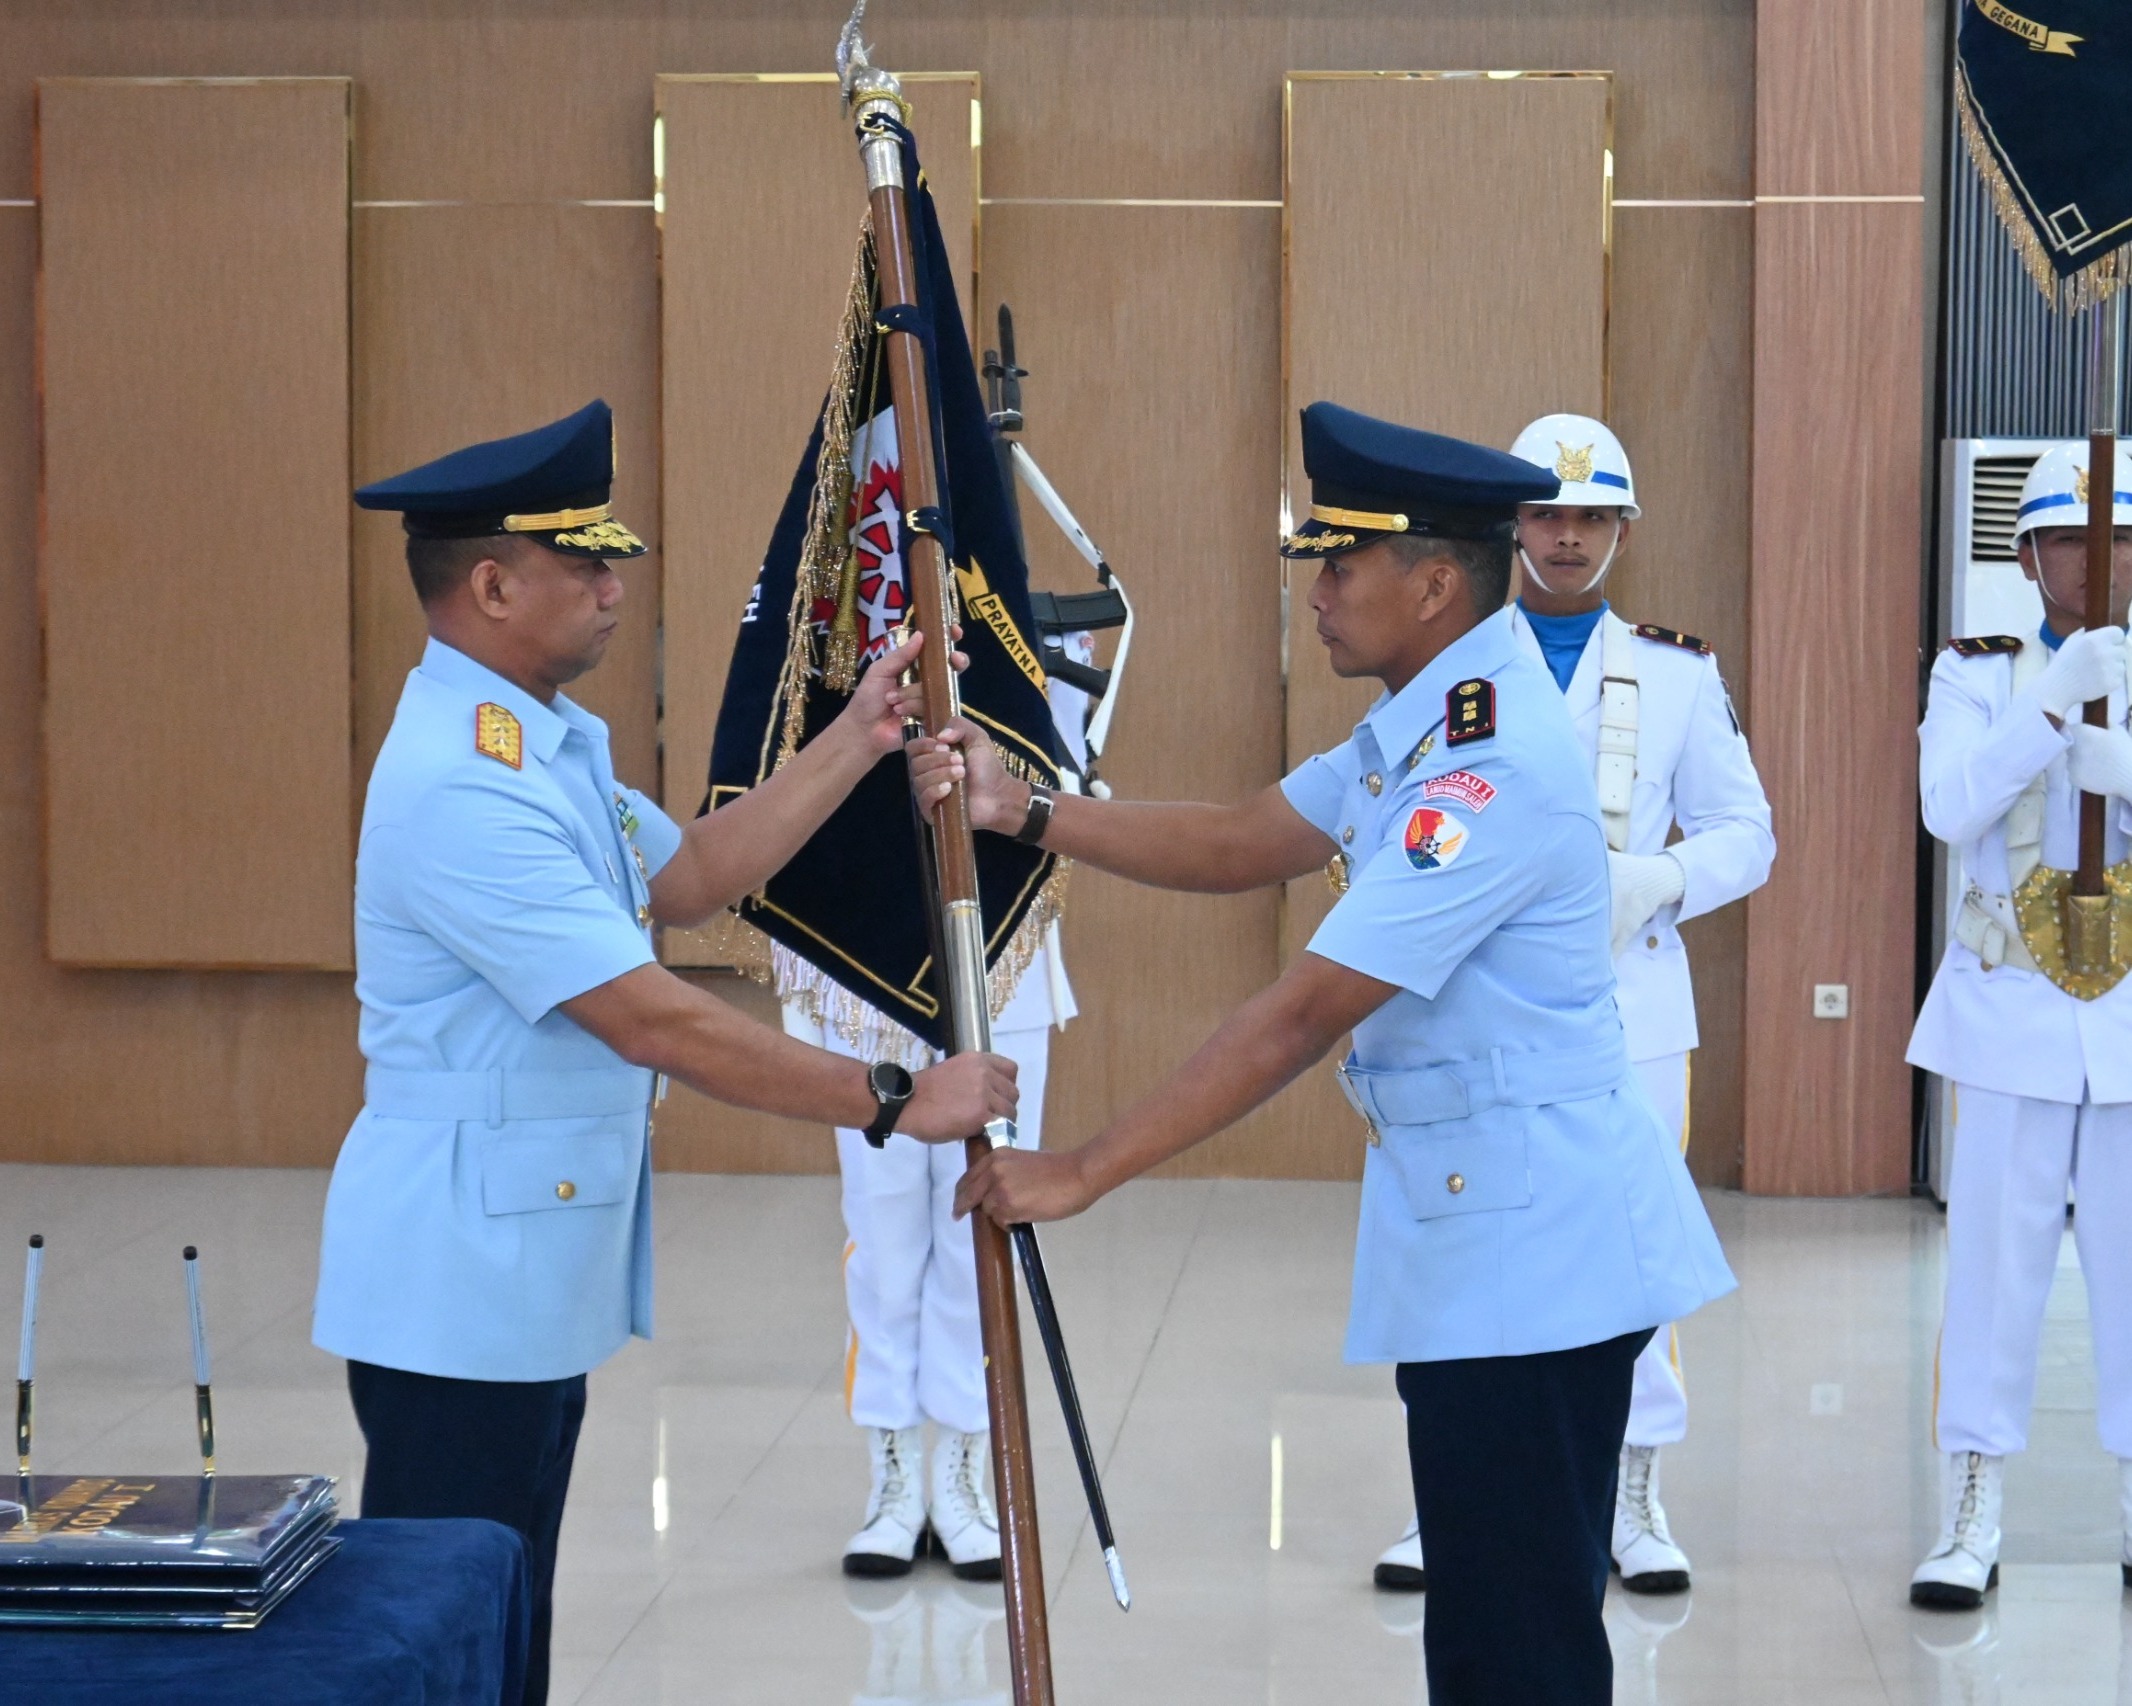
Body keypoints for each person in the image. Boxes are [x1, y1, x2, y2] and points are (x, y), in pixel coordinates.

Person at [903, 401, 1736, 1706]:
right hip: (1496, 1245)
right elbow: (1248, 835)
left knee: (1515, 1652)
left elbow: (1302, 1011)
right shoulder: (1433, 716)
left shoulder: (1487, 767)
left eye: (1341, 566)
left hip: (1539, 1270)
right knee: (1491, 1635)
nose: (1317, 594)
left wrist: (1082, 1168)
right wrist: (1029, 809)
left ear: (1435, 583)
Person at [314, 400, 1017, 1704]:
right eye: (582, 563)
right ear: (491, 585)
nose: (613, 585)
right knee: (441, 1638)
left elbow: (688, 875)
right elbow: (651, 1016)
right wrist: (894, 1096)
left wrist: (857, 735)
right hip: (455, 1286)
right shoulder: (465, 781)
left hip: (520, 1273)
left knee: (503, 1621)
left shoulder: (547, 742)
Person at [1368, 414, 1772, 1597]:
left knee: (1626, 1250)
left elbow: (1746, 831)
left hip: (1626, 1003)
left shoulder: (1677, 674)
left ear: (1622, 532)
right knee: (1464, 1231)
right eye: (1546, 512)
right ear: (1512, 525)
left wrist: (1662, 878)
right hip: (1469, 1007)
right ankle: (1446, 1494)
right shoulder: (1449, 659)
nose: (1565, 535)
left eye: (1590, 516)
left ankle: (1631, 1485)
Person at [789, 650, 1091, 1583]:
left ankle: (962, 1465)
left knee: (977, 1229)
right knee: (881, 1229)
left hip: (998, 953)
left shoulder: (1017, 638)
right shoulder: (825, 624)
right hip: (860, 954)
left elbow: (1065, 780)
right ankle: (891, 1473)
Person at [1906, 439, 2132, 1609]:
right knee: (1991, 1274)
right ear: (2027, 556)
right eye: (2066, 540)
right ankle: (1971, 1501)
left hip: (2128, 1020)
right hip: (2005, 1013)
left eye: (2118, 539)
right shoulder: (1975, 673)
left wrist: (2120, 762)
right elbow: (1948, 807)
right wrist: (2049, 705)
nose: (2095, 561)